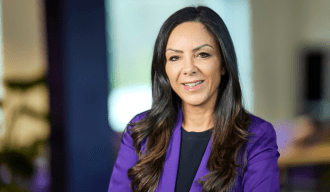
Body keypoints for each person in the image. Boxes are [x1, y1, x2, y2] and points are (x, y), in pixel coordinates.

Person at [108, 6, 280, 192]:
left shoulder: (256, 136)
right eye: (175, 58)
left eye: (202, 54)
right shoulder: (141, 132)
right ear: (164, 69)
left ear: (223, 64)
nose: (189, 68)